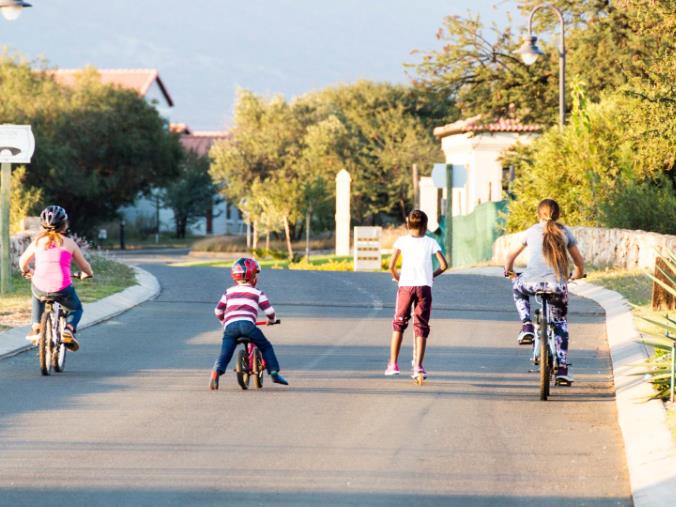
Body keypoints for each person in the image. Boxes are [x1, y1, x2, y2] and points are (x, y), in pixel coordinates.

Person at [503, 198, 585, 384]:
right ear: (558, 214)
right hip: (556, 285)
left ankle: (526, 325)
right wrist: (577, 274)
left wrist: (509, 271)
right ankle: (562, 368)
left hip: (531, 283)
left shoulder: (531, 232)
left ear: (538, 214)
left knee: (518, 289)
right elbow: (579, 263)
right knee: (561, 323)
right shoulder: (565, 233)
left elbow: (510, 255)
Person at [19, 205, 94, 351]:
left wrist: (27, 271)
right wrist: (88, 274)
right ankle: (68, 329)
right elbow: (85, 267)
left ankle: (36, 327)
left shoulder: (37, 242)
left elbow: (22, 262)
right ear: (64, 224)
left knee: (36, 292)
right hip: (62, 288)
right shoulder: (69, 244)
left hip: (40, 287)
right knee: (76, 309)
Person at [386, 209, 448, 379]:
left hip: (406, 286)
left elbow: (391, 266)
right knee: (421, 326)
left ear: (407, 225)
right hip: (424, 287)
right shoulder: (431, 242)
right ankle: (418, 367)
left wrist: (397, 278)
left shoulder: (402, 241)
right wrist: (431, 276)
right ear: (426, 226)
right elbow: (444, 265)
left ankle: (393, 363)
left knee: (399, 323)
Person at [209, 257, 288, 390]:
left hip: (230, 327)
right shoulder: (257, 293)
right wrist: (272, 320)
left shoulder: (228, 292)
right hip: (248, 326)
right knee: (266, 346)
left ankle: (215, 374)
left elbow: (218, 310)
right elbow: (269, 311)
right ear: (253, 276)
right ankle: (274, 373)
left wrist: (224, 322)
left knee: (225, 353)